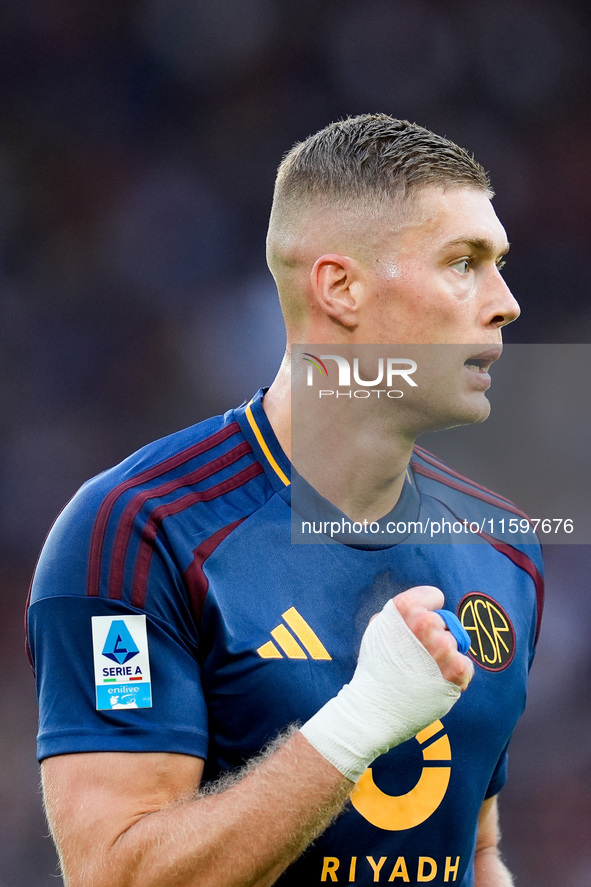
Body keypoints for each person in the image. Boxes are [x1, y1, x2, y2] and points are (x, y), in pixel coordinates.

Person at [27, 114, 543, 887]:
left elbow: (473, 850)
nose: (503, 302)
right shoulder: (137, 531)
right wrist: (358, 722)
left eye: (499, 262)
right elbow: (117, 875)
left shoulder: (502, 548)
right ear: (339, 288)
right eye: (463, 262)